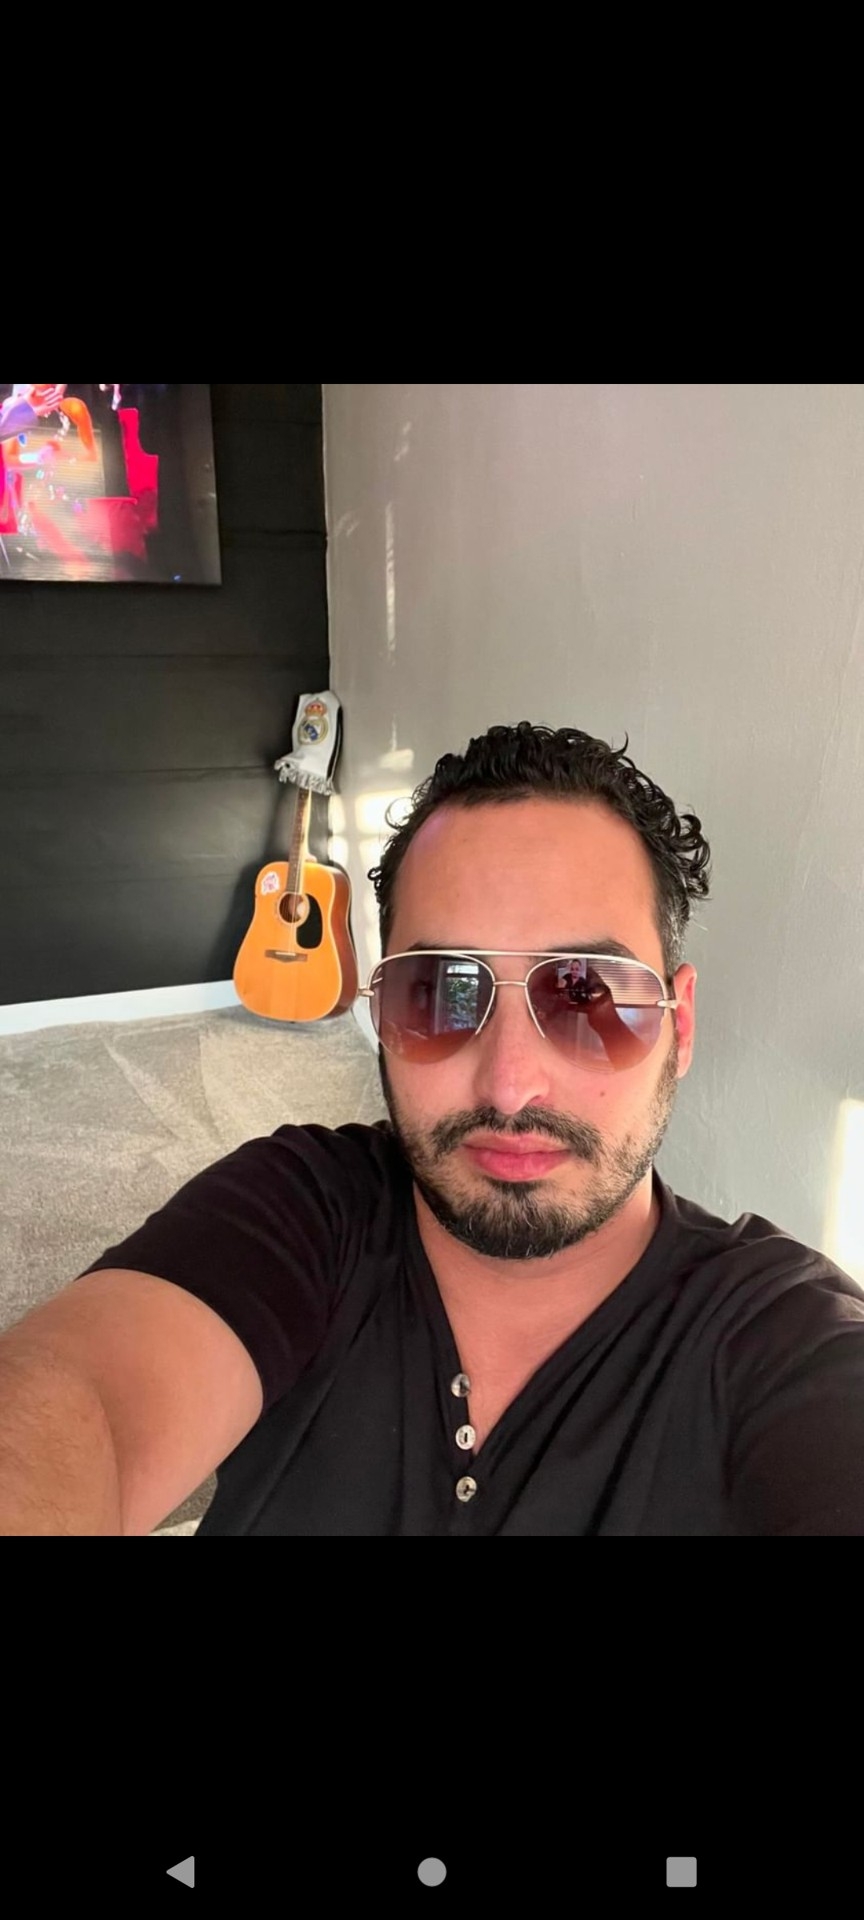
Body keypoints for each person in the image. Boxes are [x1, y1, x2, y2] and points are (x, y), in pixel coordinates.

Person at [2, 720, 864, 1536]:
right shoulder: (300, 1208)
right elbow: (78, 1405)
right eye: (439, 992)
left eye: (588, 995)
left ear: (680, 1024)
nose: (510, 1086)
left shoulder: (780, 1339)